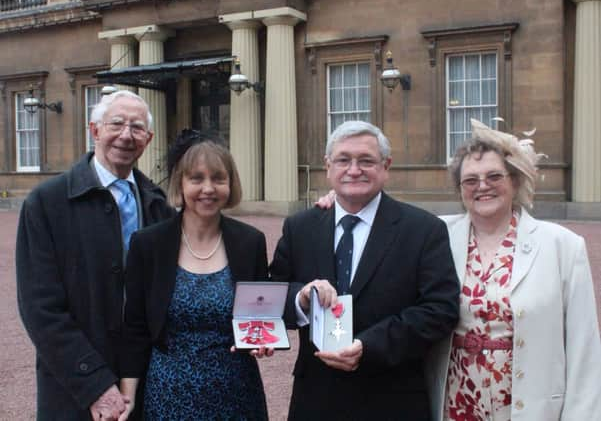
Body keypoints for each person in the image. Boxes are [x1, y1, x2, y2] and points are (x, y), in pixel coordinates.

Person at [270, 120, 460, 420]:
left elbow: (440, 309)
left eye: (366, 161)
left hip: (392, 399)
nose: (354, 169)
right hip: (316, 400)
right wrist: (301, 298)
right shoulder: (300, 228)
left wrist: (368, 346)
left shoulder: (423, 230)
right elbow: (274, 296)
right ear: (328, 166)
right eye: (344, 159)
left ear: (386, 166)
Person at [425, 119, 601, 420]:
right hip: (456, 403)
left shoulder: (562, 246)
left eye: (495, 176)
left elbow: (584, 348)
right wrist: (336, 202)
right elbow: (386, 224)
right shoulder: (436, 235)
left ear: (515, 181)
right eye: (470, 180)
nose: (482, 186)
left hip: (529, 406)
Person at [15, 90, 174, 420]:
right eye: (116, 123)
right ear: (95, 129)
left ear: (149, 139)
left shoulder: (159, 206)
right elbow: (40, 308)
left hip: (145, 386)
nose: (126, 135)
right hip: (73, 391)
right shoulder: (47, 203)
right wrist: (95, 384)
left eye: (137, 127)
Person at [119, 129, 270, 420]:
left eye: (218, 178)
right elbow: (135, 327)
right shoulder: (148, 244)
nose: (208, 188)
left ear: (231, 184)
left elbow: (259, 313)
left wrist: (262, 339)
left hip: (236, 392)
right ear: (181, 183)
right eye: (197, 178)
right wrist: (128, 396)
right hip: (168, 394)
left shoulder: (250, 242)